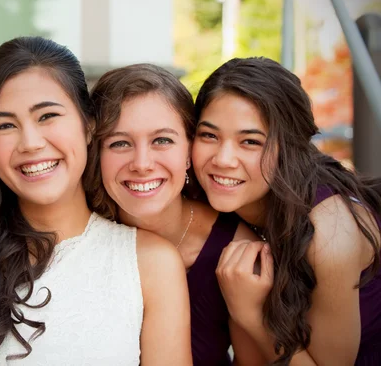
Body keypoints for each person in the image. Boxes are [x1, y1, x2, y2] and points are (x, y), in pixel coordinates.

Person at [0, 37, 192, 365]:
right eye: (5, 125)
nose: (30, 143)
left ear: (88, 126)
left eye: (47, 117)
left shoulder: (150, 264)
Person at [192, 56, 381, 365]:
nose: (223, 159)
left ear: (289, 148)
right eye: (209, 135)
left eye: (250, 141)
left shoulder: (329, 234)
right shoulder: (228, 208)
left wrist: (252, 313)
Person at [86, 63, 265, 365]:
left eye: (162, 140)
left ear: (189, 150)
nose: (142, 163)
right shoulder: (80, 236)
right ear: (97, 155)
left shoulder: (236, 248)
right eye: (119, 143)